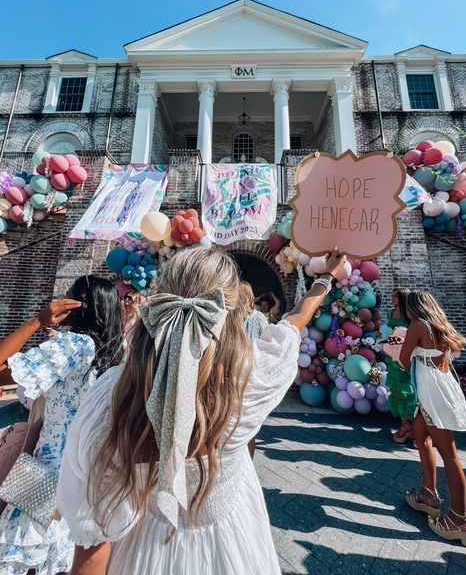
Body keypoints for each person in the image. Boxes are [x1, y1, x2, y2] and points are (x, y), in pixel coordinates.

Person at [57, 246, 346, 575]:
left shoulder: (115, 395)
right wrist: (326, 277)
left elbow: (93, 545)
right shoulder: (251, 381)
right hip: (232, 542)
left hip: (140, 552)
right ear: (234, 315)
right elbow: (293, 322)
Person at [0, 275, 124, 575]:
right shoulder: (113, 352)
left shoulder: (71, 345)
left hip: (46, 467)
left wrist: (36, 321)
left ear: (78, 306)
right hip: (88, 470)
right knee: (65, 555)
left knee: (25, 554)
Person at [400, 290, 466, 549]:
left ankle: (459, 519)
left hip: (432, 393)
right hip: (438, 387)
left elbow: (403, 358)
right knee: (421, 438)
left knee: (449, 453)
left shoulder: (418, 325)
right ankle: (429, 494)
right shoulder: (438, 325)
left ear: (413, 308)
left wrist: (411, 367)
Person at [236, 281, 269, 459]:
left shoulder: (229, 317)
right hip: (253, 372)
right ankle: (248, 462)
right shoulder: (260, 318)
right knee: (249, 424)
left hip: (233, 371)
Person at [385, 288, 417, 444]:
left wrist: (391, 340)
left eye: (396, 296)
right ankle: (405, 425)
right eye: (392, 296)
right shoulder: (390, 313)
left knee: (411, 392)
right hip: (393, 357)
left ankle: (418, 429)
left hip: (407, 356)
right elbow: (391, 333)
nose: (393, 298)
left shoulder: (410, 315)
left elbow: (411, 336)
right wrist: (384, 336)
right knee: (397, 391)